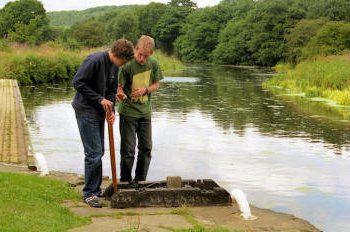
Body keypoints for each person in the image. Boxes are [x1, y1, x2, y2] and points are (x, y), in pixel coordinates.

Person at [72, 39, 134, 208]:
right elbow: (78, 82)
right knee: (93, 153)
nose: (123, 65)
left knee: (99, 152)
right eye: (123, 61)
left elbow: (112, 90)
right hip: (85, 110)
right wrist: (99, 99)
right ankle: (90, 194)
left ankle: (95, 189)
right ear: (117, 55)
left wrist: (112, 110)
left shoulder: (115, 66)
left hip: (100, 111)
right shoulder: (94, 61)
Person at [116, 35, 163, 184]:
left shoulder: (154, 64)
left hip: (145, 113)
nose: (141, 59)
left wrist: (145, 90)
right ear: (135, 49)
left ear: (151, 54)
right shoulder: (127, 65)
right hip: (128, 113)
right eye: (140, 54)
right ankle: (125, 182)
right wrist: (121, 94)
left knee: (146, 149)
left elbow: (157, 85)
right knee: (128, 151)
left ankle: (140, 182)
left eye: (145, 56)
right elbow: (119, 87)